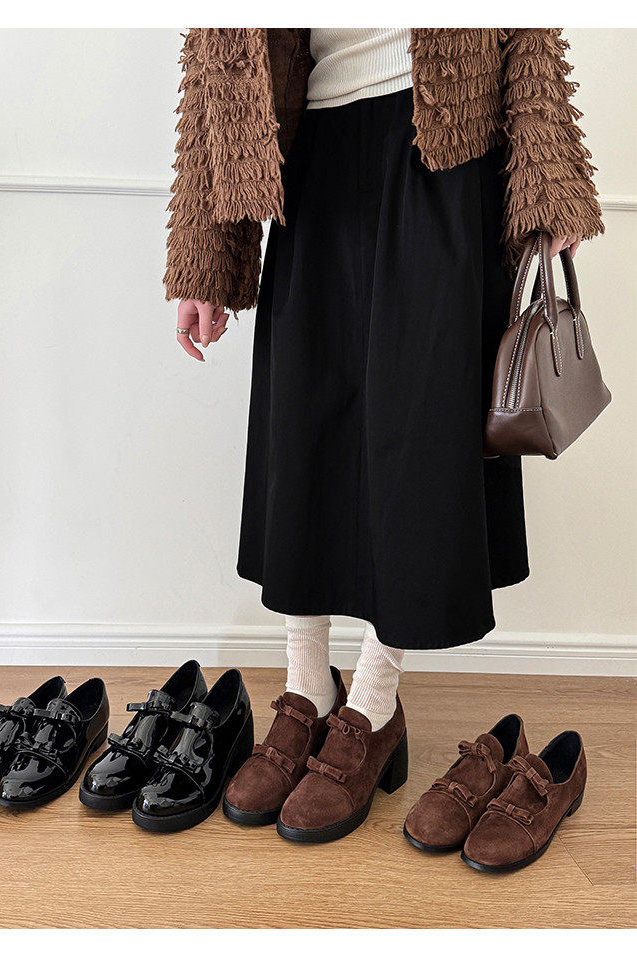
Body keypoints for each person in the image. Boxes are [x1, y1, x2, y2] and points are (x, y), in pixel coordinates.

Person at [163, 28, 603, 842]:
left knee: (417, 433)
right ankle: (308, 689)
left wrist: (550, 183)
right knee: (301, 434)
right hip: (308, 148)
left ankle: (372, 702)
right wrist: (205, 260)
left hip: (440, 138)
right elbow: (218, 60)